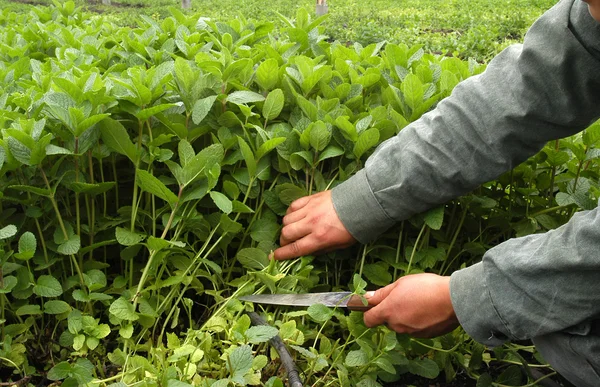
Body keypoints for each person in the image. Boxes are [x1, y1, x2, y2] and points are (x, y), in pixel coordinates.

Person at [272, 0, 600, 385]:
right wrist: (364, 198)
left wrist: (465, 296)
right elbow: (523, 92)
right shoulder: (592, 15)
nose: (592, 13)